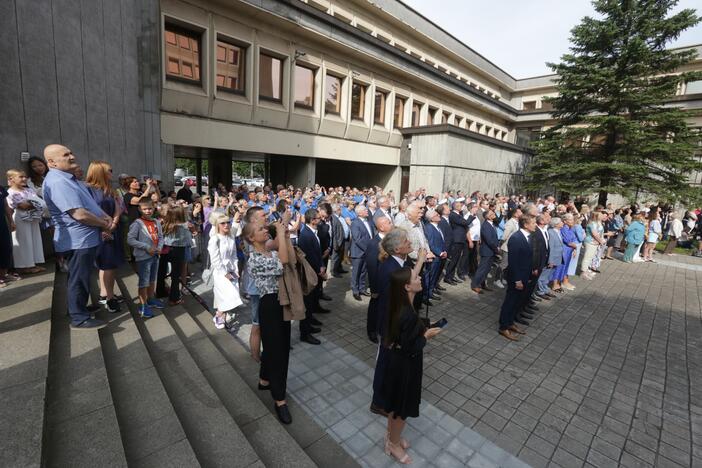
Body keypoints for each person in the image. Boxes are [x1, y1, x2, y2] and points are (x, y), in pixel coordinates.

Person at [43, 144, 112, 329]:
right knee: (78, 278)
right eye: (66, 155)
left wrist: (103, 216)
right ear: (52, 162)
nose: (72, 156)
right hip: (77, 240)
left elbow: (88, 205)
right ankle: (79, 317)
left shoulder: (68, 179)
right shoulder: (58, 182)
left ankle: (79, 308)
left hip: (84, 239)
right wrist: (104, 223)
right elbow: (79, 214)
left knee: (81, 276)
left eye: (71, 152)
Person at [379, 267, 441, 465]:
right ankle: (394, 444)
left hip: (397, 363)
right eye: (416, 277)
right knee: (401, 410)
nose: (420, 277)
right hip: (404, 366)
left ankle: (391, 438)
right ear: (407, 286)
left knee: (394, 405)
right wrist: (425, 336)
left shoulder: (401, 305)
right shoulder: (406, 313)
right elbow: (410, 347)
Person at [241, 219, 292, 424]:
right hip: (270, 304)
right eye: (260, 229)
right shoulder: (254, 258)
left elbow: (283, 250)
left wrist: (284, 234)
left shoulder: (268, 251)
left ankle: (264, 380)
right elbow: (284, 263)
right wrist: (280, 232)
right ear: (251, 238)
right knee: (278, 351)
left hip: (280, 302)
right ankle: (280, 399)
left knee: (274, 347)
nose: (265, 230)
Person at [85, 161, 125, 313]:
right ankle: (109, 298)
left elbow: (117, 209)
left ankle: (105, 293)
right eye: (109, 170)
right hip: (100, 231)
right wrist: (104, 226)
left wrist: (114, 223)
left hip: (112, 230)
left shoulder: (109, 189)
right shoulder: (88, 190)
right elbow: (90, 211)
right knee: (107, 265)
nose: (111, 173)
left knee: (109, 266)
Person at [498, 215, 536, 341]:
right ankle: (503, 327)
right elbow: (513, 261)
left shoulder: (527, 237)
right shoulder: (516, 238)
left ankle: (510, 322)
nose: (535, 225)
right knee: (510, 302)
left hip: (525, 275)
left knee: (517, 302)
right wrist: (518, 280)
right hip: (517, 277)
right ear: (525, 224)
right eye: (533, 223)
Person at [127, 200, 165, 318]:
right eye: (145, 209)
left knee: (152, 279)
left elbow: (160, 237)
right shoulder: (137, 224)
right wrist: (146, 247)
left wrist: (159, 247)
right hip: (143, 257)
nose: (148, 211)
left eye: (150, 208)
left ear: (153, 208)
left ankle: (151, 298)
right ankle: (143, 305)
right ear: (140, 210)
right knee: (144, 282)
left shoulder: (156, 222)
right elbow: (130, 240)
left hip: (155, 255)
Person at [6, 169, 46, 274]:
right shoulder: (10, 192)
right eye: (21, 177)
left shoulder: (28, 190)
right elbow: (22, 206)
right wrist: (33, 203)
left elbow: (39, 203)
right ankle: (23, 266)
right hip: (20, 218)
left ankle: (33, 263)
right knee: (24, 241)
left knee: (33, 239)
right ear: (11, 179)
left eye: (25, 177)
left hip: (32, 217)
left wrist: (33, 203)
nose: (24, 179)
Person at [208, 213, 243, 329]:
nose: (226, 225)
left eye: (228, 222)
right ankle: (220, 316)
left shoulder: (230, 237)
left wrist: (235, 269)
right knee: (227, 295)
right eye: (223, 223)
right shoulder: (214, 239)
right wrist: (225, 273)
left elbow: (233, 255)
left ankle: (220, 315)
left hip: (231, 270)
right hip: (219, 273)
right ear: (217, 225)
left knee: (226, 296)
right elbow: (215, 260)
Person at [297, 208, 325, 345]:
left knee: (311, 302)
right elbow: (306, 258)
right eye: (319, 218)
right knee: (306, 304)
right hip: (309, 275)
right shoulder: (305, 235)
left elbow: (316, 253)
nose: (321, 220)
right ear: (312, 220)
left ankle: (309, 325)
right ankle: (305, 333)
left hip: (315, 272)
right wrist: (318, 269)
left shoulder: (312, 232)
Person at [365, 216, 393, 343]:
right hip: (379, 284)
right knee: (375, 308)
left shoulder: (391, 240)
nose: (391, 224)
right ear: (381, 227)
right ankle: (372, 330)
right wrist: (374, 289)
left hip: (389, 282)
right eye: (389, 222)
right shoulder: (373, 243)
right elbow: (372, 268)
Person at [157, 206, 191, 305]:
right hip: (178, 250)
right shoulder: (185, 226)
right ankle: (174, 298)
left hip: (165, 249)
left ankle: (160, 291)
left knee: (161, 272)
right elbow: (188, 241)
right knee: (176, 275)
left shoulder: (165, 224)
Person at [350, 204, 374, 301]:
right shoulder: (355, 223)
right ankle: (355, 291)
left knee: (363, 271)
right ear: (359, 213)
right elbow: (357, 239)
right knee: (356, 272)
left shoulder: (368, 221)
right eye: (365, 210)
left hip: (366, 251)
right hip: (358, 252)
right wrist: (368, 249)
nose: (367, 211)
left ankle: (362, 288)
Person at [471, 209, 498, 294]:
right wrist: (496, 249)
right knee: (482, 269)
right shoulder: (486, 226)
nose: (494, 213)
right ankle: (475, 285)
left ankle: (482, 284)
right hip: (487, 251)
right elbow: (489, 240)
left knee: (487, 269)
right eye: (492, 213)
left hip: (491, 251)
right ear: (488, 217)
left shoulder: (491, 224)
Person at [444, 200, 469, 285]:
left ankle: (451, 276)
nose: (461, 206)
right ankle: (448, 277)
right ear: (455, 206)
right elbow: (465, 222)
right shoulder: (453, 215)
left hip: (460, 239)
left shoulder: (459, 214)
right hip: (456, 239)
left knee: (456, 259)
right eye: (459, 205)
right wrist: (471, 215)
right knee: (453, 260)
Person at [554, 213, 578, 291]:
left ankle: (561, 282)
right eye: (570, 219)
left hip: (569, 250)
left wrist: (574, 249)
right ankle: (556, 284)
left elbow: (574, 239)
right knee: (560, 267)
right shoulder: (564, 228)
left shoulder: (571, 228)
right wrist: (575, 246)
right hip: (564, 250)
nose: (572, 221)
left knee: (565, 267)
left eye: (572, 219)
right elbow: (567, 241)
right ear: (565, 221)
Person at [580, 212, 605, 280]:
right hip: (590, 242)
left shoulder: (599, 223)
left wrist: (601, 240)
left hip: (596, 242)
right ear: (596, 216)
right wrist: (601, 241)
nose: (603, 215)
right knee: (587, 257)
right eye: (601, 214)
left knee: (591, 257)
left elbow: (600, 233)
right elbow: (595, 234)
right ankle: (583, 272)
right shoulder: (591, 224)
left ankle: (586, 270)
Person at [0, 183, 16, 287]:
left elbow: (6, 206)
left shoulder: (1, 188)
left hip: (2, 224)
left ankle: (3, 274)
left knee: (5, 248)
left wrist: (11, 221)